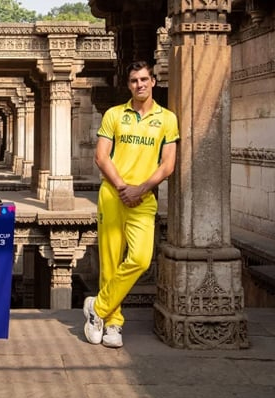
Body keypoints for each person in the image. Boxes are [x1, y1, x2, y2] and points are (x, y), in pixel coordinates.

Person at [83, 61, 179, 348]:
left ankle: (97, 308)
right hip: (114, 195)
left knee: (139, 258)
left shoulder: (167, 119)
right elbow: (102, 157)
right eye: (134, 80)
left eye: (145, 79)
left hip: (145, 198)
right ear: (128, 85)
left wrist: (141, 188)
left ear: (153, 81)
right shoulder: (115, 115)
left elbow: (168, 165)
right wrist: (124, 187)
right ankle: (113, 323)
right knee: (110, 260)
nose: (140, 84)